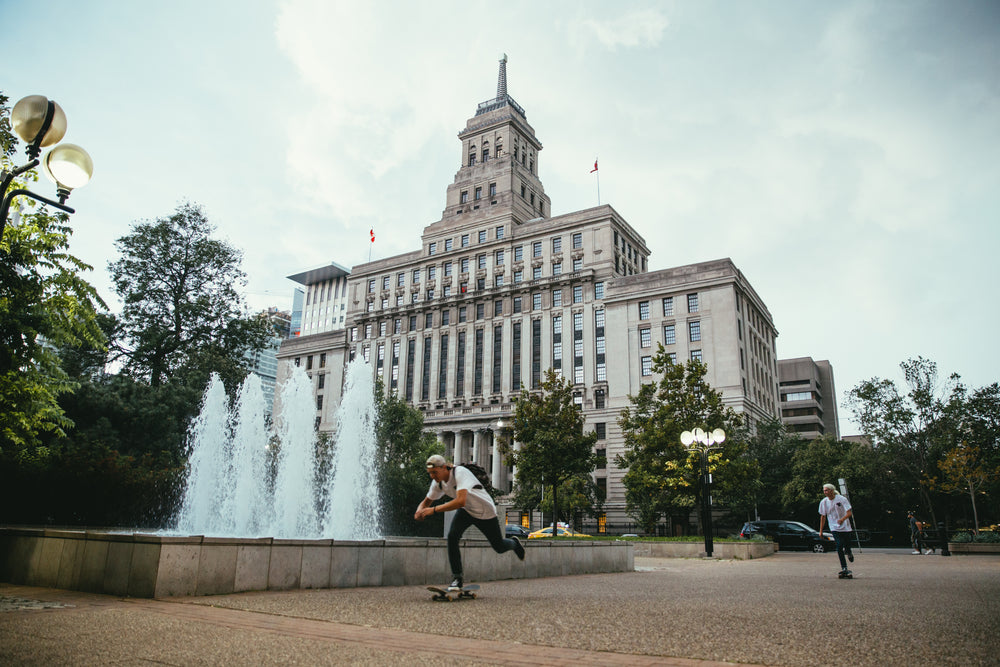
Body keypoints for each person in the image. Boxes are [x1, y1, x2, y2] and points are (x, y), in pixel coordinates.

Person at [415, 454, 525, 591]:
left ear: (444, 467)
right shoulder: (438, 483)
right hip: (467, 511)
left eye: (435, 472)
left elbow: (460, 500)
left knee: (499, 546)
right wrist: (419, 511)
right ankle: (457, 578)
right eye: (430, 473)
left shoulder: (460, 473)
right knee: (452, 536)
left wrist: (434, 510)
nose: (432, 476)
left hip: (485, 512)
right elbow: (426, 502)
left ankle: (514, 543)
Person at [818, 483, 855, 575]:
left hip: (845, 527)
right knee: (839, 546)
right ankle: (844, 567)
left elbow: (849, 513)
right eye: (824, 490)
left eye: (826, 490)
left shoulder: (841, 499)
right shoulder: (824, 502)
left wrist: (842, 519)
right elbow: (823, 516)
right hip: (834, 527)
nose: (825, 492)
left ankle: (849, 551)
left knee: (847, 544)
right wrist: (821, 531)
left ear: (831, 490)